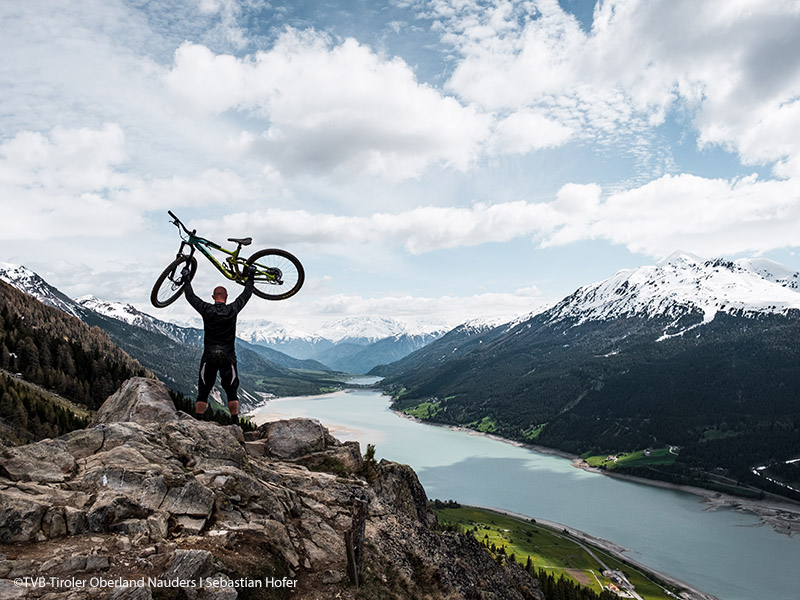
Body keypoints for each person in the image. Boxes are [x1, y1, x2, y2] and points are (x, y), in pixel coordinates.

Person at [181, 266, 255, 424]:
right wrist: (251, 277)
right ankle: (235, 423)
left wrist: (186, 278)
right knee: (231, 390)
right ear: (226, 297)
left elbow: (190, 296)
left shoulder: (206, 309)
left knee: (203, 390)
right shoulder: (232, 309)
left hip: (209, 356)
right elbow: (246, 295)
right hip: (228, 356)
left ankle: (198, 422)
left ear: (213, 296)